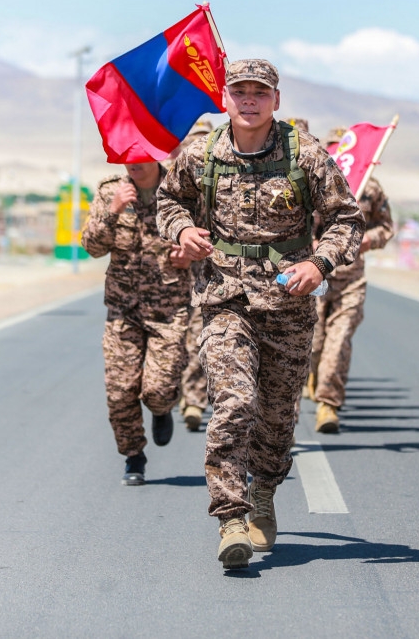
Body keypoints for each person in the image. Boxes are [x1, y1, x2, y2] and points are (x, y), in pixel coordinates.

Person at [157, 59, 363, 569]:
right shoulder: (202, 152)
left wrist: (320, 263)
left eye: (259, 93)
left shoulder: (305, 154)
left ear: (276, 99)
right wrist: (182, 231)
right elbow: (168, 201)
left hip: (288, 304)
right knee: (234, 402)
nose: (249, 101)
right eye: (240, 92)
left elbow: (347, 220)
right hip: (224, 298)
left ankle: (264, 491)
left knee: (276, 418)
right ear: (225, 97)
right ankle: (231, 516)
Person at [81, 160, 192, 486]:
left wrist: (189, 254)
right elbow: (91, 247)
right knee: (119, 392)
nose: (136, 164)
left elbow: (209, 240)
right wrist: (112, 210)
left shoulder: (181, 189)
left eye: (142, 155)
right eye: (128, 157)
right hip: (122, 309)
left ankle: (162, 408)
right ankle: (133, 456)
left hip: (168, 310)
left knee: (157, 390)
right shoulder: (109, 190)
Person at [306, 126, 395, 434]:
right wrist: (312, 245)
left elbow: (386, 228)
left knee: (339, 341)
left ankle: (328, 405)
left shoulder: (370, 188)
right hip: (315, 277)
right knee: (313, 344)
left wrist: (366, 241)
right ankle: (313, 377)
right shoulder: (314, 180)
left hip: (351, 278)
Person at [174, 118, 215, 432]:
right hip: (171, 276)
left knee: (199, 335)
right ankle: (174, 394)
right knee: (177, 339)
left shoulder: (222, 175)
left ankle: (193, 398)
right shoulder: (170, 179)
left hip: (210, 269)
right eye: (191, 140)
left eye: (202, 140)